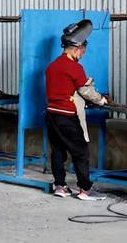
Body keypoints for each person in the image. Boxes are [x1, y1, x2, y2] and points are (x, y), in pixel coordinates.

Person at [45, 19, 108, 201]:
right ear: (75, 48)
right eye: (83, 50)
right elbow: (85, 91)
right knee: (81, 151)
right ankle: (85, 190)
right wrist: (101, 100)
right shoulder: (74, 67)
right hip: (66, 117)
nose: (83, 53)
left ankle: (60, 186)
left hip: (51, 115)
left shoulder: (52, 66)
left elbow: (63, 89)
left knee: (58, 151)